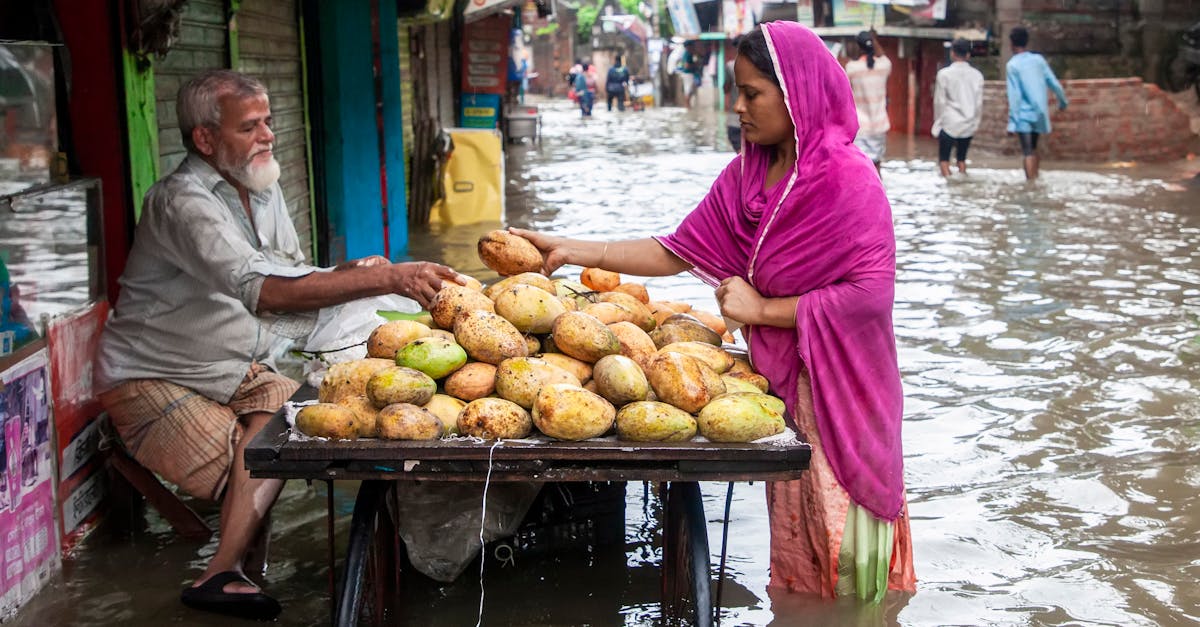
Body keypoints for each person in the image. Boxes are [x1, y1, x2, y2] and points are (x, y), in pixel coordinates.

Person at [511, 21, 915, 602]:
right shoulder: (747, 176)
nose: (738, 106)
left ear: (795, 93)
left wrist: (763, 308)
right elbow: (675, 250)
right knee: (799, 548)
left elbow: (869, 297)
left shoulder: (849, 180)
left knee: (844, 546)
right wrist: (573, 249)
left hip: (847, 389)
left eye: (753, 93)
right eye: (737, 91)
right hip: (787, 390)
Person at [93, 70, 463, 621]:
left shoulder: (260, 189)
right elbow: (264, 292)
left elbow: (291, 274)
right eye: (250, 125)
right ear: (205, 138)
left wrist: (354, 270)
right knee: (255, 465)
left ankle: (242, 569)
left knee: (289, 430)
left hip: (238, 367)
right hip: (154, 375)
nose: (268, 134)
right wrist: (387, 280)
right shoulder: (181, 203)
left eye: (269, 120)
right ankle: (221, 571)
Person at [1006, 26, 1068, 180]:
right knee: (1034, 148)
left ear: (1012, 44)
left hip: (1023, 115)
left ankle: (1030, 185)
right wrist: (1063, 102)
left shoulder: (1012, 65)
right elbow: (1054, 83)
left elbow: (1015, 96)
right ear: (1027, 42)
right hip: (1040, 112)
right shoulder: (1038, 60)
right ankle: (1037, 178)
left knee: (1027, 151)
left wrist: (1012, 123)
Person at [932, 38, 984, 176]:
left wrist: (938, 123)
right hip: (968, 123)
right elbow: (979, 103)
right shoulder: (977, 75)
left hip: (949, 122)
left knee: (944, 160)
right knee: (962, 159)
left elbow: (940, 102)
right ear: (968, 55)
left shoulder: (944, 74)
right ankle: (962, 180)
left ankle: (948, 186)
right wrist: (975, 123)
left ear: (952, 53)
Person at [844, 30, 892, 174]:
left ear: (858, 47)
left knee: (862, 170)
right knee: (877, 169)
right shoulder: (884, 65)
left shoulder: (852, 68)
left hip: (860, 127)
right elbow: (882, 55)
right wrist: (874, 38)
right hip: (880, 125)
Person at [724, 41, 742, 152]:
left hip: (734, 117)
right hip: (751, 119)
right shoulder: (759, 67)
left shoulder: (731, 66)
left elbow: (726, 88)